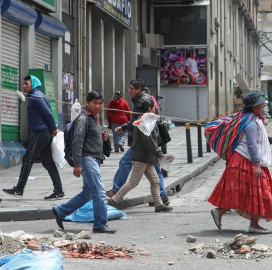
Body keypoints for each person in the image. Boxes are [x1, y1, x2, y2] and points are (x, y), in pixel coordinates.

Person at [209, 92, 272, 234]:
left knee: (247, 192)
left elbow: (251, 139)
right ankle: (254, 225)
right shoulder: (251, 122)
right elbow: (252, 145)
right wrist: (257, 164)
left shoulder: (248, 118)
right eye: (260, 104)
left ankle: (220, 212)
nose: (262, 106)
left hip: (241, 160)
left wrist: (267, 139)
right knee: (256, 191)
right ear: (254, 107)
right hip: (245, 161)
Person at [52, 91, 116, 233]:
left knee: (87, 193)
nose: (98, 106)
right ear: (87, 103)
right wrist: (77, 164)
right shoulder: (83, 118)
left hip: (94, 159)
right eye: (94, 103)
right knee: (99, 192)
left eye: (100, 103)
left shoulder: (95, 118)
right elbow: (77, 142)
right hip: (87, 159)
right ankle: (100, 224)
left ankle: (61, 211)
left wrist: (105, 139)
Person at [108, 80, 170, 206]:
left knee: (134, 178)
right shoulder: (143, 106)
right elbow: (139, 127)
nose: (129, 91)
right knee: (154, 177)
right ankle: (161, 200)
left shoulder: (143, 103)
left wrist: (158, 152)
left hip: (142, 148)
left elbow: (147, 138)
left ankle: (115, 197)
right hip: (144, 148)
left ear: (138, 89)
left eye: (131, 88)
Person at [3, 75, 64, 200]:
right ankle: (59, 191)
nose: (24, 86)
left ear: (33, 84)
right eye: (24, 84)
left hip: (41, 134)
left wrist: (53, 128)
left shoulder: (36, 97)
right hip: (44, 134)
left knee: (27, 159)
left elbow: (48, 113)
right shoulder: (36, 95)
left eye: (27, 84)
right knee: (48, 163)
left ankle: (19, 189)